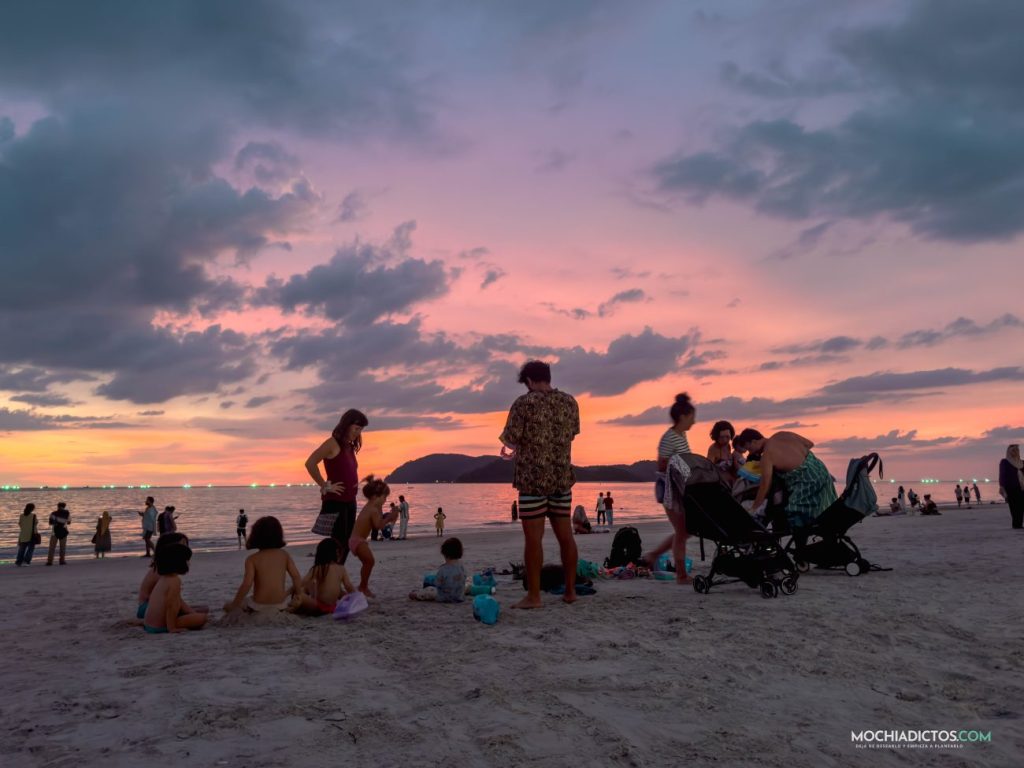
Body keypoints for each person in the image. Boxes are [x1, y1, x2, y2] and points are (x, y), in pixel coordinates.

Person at [499, 359, 580, 608]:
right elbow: (572, 434)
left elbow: (511, 442)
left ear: (530, 381)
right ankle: (570, 591)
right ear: (548, 377)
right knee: (565, 536)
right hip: (561, 478)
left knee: (533, 540)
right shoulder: (569, 402)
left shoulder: (524, 403)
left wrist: (508, 453)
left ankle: (534, 596)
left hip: (532, 481)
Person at [734, 428, 837, 549]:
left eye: (750, 448)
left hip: (807, 480)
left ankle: (801, 553)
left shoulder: (767, 456)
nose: (751, 453)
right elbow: (809, 444)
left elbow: (765, 485)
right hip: (820, 469)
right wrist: (792, 456)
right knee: (825, 512)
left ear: (754, 441)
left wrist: (754, 507)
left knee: (795, 513)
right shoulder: (782, 434)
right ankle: (831, 546)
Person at [641, 393, 695, 584]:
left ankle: (653, 555)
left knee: (685, 530)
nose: (694, 421)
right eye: (692, 417)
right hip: (670, 490)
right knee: (682, 532)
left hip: (681, 490)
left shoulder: (681, 435)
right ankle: (681, 575)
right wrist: (680, 465)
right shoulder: (669, 437)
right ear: (683, 417)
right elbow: (661, 465)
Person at [305, 409, 368, 564]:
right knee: (338, 542)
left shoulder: (349, 446)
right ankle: (329, 576)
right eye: (356, 428)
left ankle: (336, 575)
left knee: (347, 542)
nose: (358, 432)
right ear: (346, 425)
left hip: (350, 500)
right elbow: (310, 463)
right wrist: (324, 484)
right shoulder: (332, 443)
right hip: (336, 500)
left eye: (360, 430)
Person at [223, 516, 305, 613]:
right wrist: (299, 595)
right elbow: (296, 577)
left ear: (255, 536)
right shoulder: (284, 555)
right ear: (278, 535)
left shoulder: (252, 559)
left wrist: (234, 604)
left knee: (227, 606)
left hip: (258, 606)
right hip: (280, 605)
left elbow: (247, 584)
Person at [346, 476, 400, 598]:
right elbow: (378, 526)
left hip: (356, 540)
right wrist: (390, 517)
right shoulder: (373, 510)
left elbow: (379, 518)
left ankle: (363, 586)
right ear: (376, 496)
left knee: (368, 562)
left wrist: (388, 514)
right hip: (358, 541)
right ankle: (363, 587)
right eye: (384, 497)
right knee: (370, 562)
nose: (385, 500)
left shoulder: (372, 507)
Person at [137, 533, 209, 620]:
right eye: (182, 545)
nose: (185, 548)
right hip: (148, 607)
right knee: (196, 613)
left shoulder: (166, 568)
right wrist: (190, 612)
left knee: (204, 609)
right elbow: (170, 599)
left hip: (157, 604)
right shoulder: (160, 572)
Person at [294, 538, 355, 616]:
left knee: (301, 595)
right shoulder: (341, 568)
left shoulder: (318, 568)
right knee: (341, 592)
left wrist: (289, 592)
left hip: (318, 607)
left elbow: (302, 582)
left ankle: (293, 607)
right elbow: (348, 586)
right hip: (333, 608)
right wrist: (356, 597)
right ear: (336, 553)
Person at [409, 537, 467, 602]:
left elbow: (437, 583)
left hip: (444, 596)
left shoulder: (443, 569)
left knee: (430, 590)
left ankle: (416, 594)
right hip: (459, 595)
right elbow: (464, 578)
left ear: (445, 554)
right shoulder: (461, 566)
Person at [999, 444, 1024, 529]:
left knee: (1021, 507)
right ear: (1009, 452)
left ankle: (1019, 524)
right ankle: (1016, 525)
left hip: (1022, 488)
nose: (1015, 452)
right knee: (1014, 507)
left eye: (1017, 450)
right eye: (1013, 450)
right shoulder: (1005, 462)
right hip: (1011, 488)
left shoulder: (1022, 462)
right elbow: (1002, 475)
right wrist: (1002, 487)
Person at [46, 502, 71, 566]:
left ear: (58, 506)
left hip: (54, 532)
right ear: (64, 506)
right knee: (62, 547)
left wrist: (57, 521)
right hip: (63, 531)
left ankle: (50, 561)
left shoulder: (53, 513)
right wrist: (62, 521)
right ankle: (62, 560)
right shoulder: (67, 513)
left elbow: (50, 523)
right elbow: (69, 522)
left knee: (52, 547)